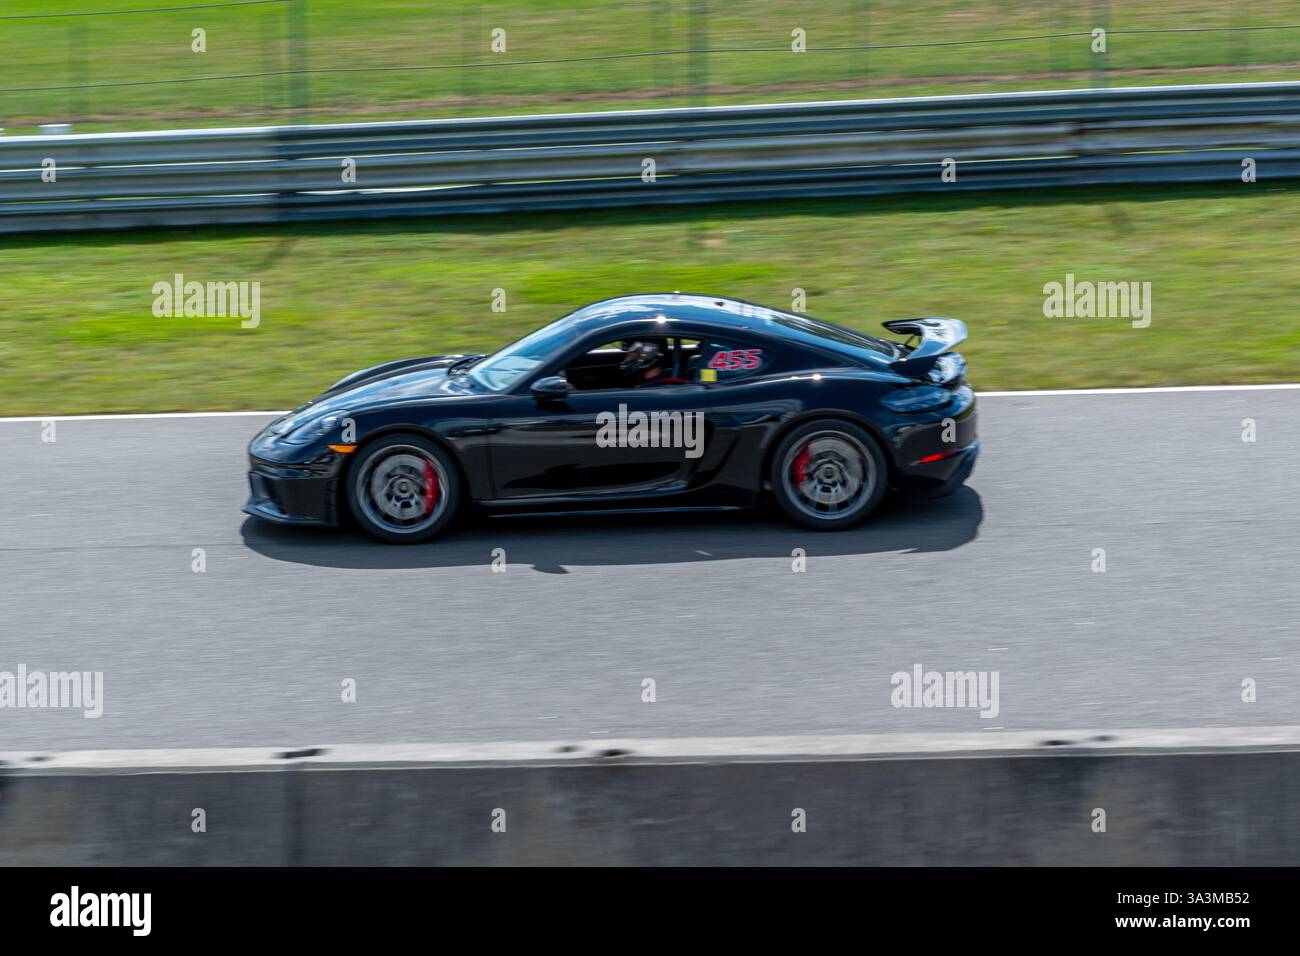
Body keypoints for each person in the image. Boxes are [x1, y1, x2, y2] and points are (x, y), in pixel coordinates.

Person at [619, 339, 688, 386]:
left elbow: (622, 407)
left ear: (647, 355)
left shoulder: (649, 389)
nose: (625, 360)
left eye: (630, 355)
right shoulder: (648, 382)